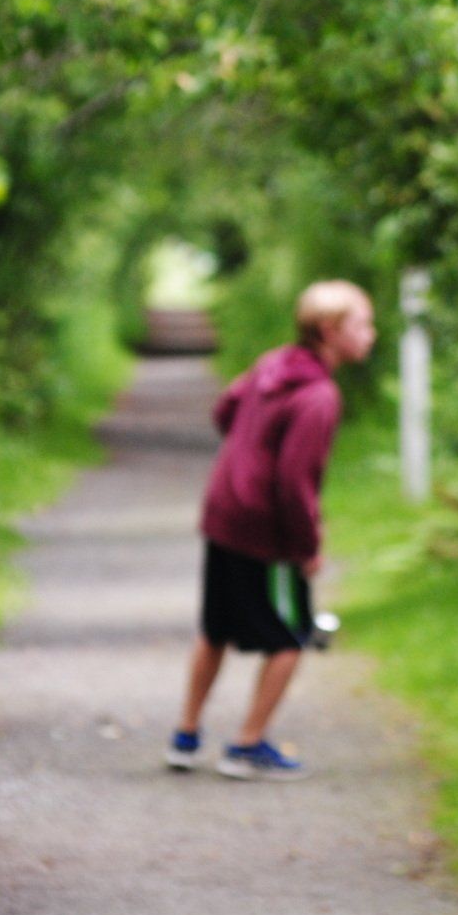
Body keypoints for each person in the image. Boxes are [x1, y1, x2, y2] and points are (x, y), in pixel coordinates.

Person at [167, 279, 377, 780]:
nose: (371, 335)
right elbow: (294, 482)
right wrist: (307, 548)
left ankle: (186, 736)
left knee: (216, 628)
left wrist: (244, 457)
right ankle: (247, 745)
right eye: (363, 325)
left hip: (223, 511)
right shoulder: (319, 397)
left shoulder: (274, 363)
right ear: (330, 331)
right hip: (262, 529)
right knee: (291, 635)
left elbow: (225, 410)